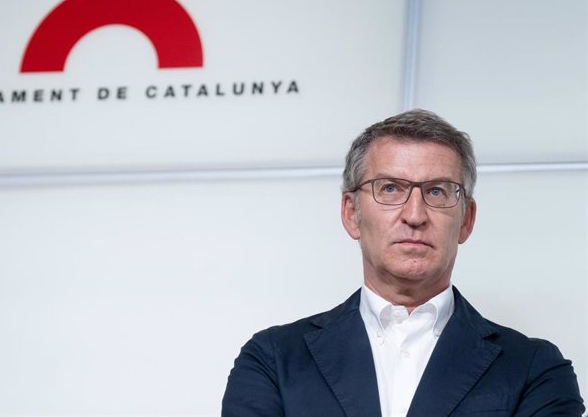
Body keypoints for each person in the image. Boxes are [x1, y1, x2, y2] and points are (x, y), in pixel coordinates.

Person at [222, 110, 584, 416]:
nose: (414, 214)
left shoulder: (534, 370)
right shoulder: (274, 360)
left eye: (437, 191)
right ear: (351, 214)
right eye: (391, 188)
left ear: (466, 220)